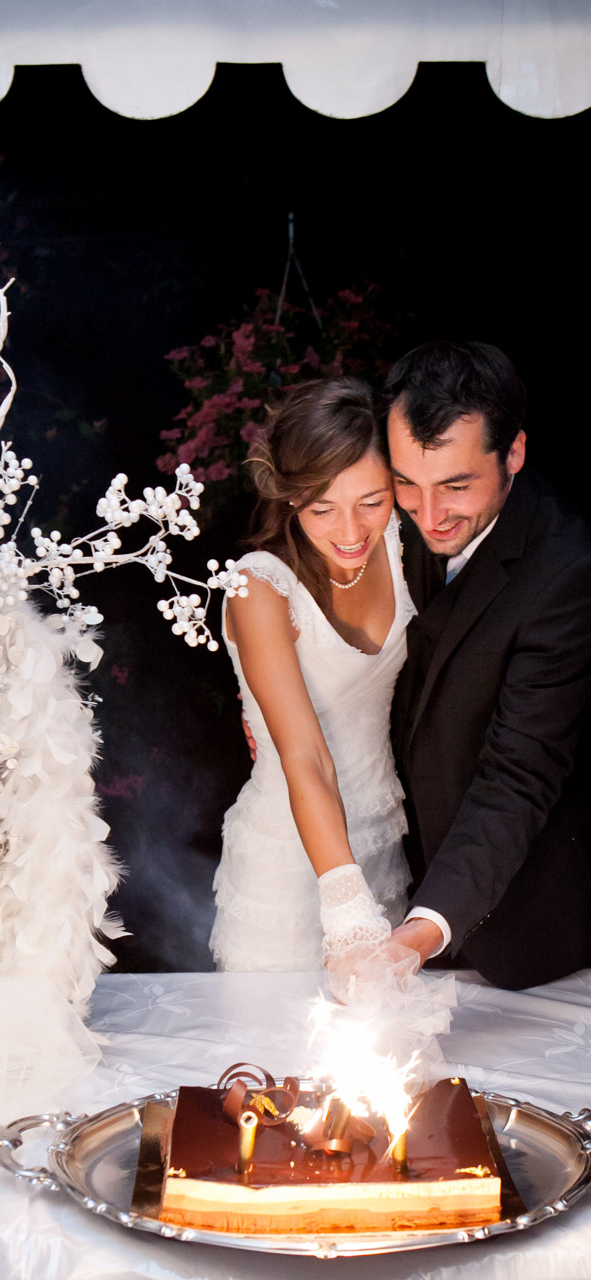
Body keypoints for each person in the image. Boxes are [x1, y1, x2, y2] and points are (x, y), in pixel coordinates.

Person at [385, 340, 591, 989]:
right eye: (406, 485)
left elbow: (516, 777)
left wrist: (421, 930)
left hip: (511, 925)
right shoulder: (382, 515)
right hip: (386, 875)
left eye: (454, 486)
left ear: (514, 455)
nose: (427, 515)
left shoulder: (566, 574)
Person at [210, 377, 415, 972]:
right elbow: (304, 755)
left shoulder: (407, 544)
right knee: (275, 1059)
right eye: (322, 508)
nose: (351, 533)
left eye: (371, 502)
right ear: (289, 495)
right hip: (288, 862)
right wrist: (347, 909)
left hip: (381, 838)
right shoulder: (258, 587)